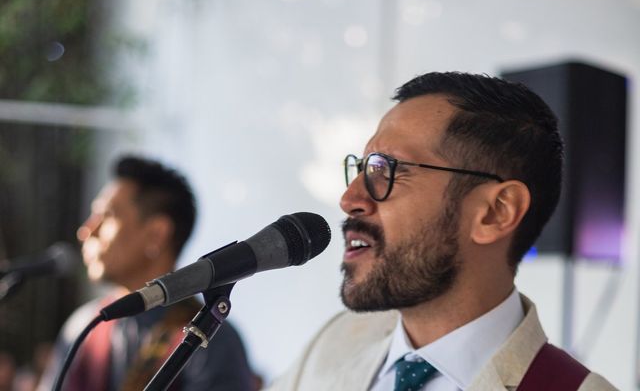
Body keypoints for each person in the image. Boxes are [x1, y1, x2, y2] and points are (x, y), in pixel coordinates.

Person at [268, 72, 616, 390]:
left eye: (386, 169)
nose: (350, 199)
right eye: (360, 169)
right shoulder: (337, 343)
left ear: (495, 212)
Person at [38, 155, 254, 391]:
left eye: (107, 216)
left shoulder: (208, 337)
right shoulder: (83, 327)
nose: (87, 230)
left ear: (156, 234)